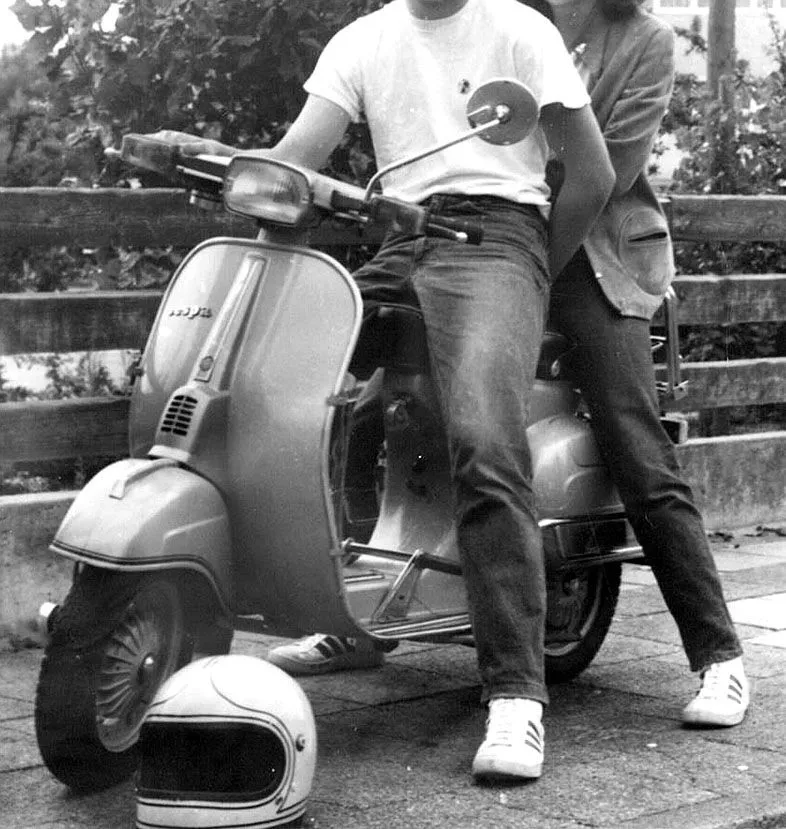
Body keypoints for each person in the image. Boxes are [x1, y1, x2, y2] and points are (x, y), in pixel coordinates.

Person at [168, 0, 615, 781]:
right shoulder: (364, 41)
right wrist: (221, 163)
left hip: (497, 237)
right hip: (402, 235)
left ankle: (516, 691)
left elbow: (594, 174)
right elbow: (296, 156)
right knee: (287, 385)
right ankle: (350, 619)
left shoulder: (519, 28)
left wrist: (532, 271)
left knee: (484, 435)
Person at [539, 0, 750, 728]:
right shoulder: (515, 18)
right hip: (504, 246)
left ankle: (719, 658)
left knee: (633, 439)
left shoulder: (645, 39)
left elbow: (614, 167)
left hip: (596, 257)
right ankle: (355, 616)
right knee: (387, 380)